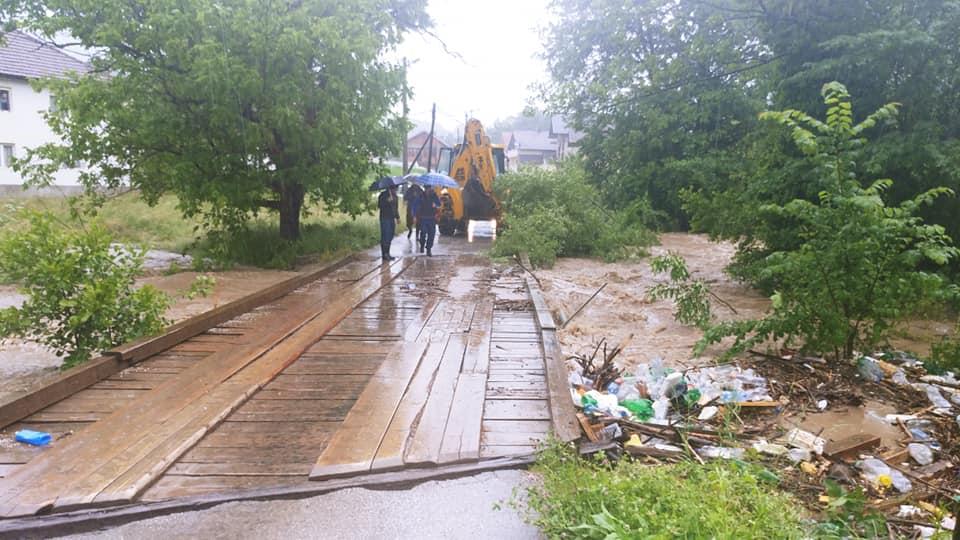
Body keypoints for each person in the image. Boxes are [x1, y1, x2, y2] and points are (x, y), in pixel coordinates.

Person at [412, 186, 441, 256]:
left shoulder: (434, 196)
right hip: (423, 218)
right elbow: (415, 205)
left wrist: (436, 205)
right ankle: (422, 244)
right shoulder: (421, 196)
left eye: (429, 188)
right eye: (427, 188)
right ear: (425, 188)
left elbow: (439, 204)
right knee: (423, 232)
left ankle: (428, 249)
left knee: (432, 234)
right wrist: (414, 216)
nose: (429, 190)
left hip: (432, 218)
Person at [378, 186, 400, 261]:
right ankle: (385, 254)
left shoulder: (395, 196)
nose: (396, 190)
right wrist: (387, 201)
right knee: (385, 235)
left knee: (390, 235)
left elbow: (395, 208)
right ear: (390, 188)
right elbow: (380, 205)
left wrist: (397, 217)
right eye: (395, 188)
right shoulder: (383, 195)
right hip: (385, 218)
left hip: (391, 218)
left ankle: (387, 252)